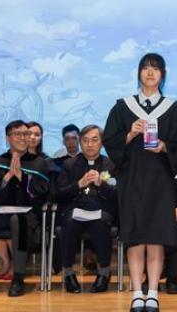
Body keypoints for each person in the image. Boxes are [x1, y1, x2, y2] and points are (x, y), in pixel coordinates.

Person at [104, 53, 177, 312]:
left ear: (163, 75)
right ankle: (136, 293)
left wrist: (164, 147)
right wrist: (130, 134)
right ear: (139, 72)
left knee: (156, 237)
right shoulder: (122, 107)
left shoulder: (173, 109)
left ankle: (153, 292)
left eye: (155, 68)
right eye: (145, 68)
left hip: (161, 182)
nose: (150, 72)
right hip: (132, 181)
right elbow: (110, 141)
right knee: (135, 237)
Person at [0, 120, 50, 297]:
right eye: (18, 134)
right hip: (0, 210)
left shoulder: (38, 163)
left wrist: (22, 177)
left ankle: (18, 278)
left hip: (26, 212)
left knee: (19, 221)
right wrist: (7, 177)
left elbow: (43, 192)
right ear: (8, 138)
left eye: (26, 134)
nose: (23, 138)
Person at [56, 124, 117, 293]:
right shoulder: (69, 164)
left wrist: (101, 184)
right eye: (85, 140)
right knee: (69, 223)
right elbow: (59, 193)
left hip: (102, 211)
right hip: (75, 210)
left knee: (100, 223)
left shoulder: (111, 164)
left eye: (94, 140)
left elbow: (118, 195)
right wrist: (79, 184)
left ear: (101, 142)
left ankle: (104, 272)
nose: (90, 144)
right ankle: (68, 273)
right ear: (80, 143)